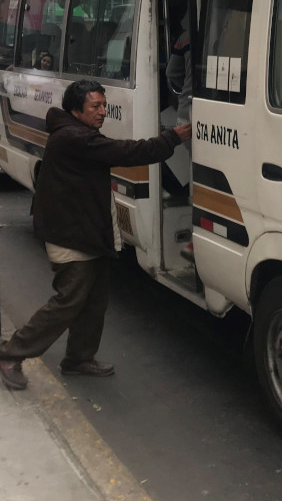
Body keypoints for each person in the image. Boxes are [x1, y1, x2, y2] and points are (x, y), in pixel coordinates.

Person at [0, 79, 191, 391]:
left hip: (90, 230)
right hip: (71, 235)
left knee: (94, 300)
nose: (103, 111)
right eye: (96, 107)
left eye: (104, 105)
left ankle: (78, 359)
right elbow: (129, 151)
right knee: (68, 300)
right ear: (76, 110)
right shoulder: (74, 138)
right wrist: (173, 137)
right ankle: (10, 354)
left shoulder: (80, 132)